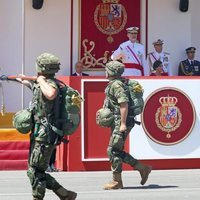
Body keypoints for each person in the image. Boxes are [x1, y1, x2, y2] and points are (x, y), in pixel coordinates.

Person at [17, 53, 77, 200]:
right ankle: (65, 194)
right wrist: (22, 79)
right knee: (34, 170)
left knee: (36, 171)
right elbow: (36, 87)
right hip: (38, 132)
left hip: (46, 133)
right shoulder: (43, 82)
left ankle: (40, 197)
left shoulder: (50, 84)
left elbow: (50, 94)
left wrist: (40, 79)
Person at [102, 60, 152, 190]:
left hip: (121, 121)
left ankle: (118, 181)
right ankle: (141, 169)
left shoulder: (116, 85)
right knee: (115, 150)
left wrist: (123, 124)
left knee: (113, 150)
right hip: (119, 121)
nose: (105, 72)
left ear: (111, 71)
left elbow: (123, 104)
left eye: (107, 69)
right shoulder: (118, 83)